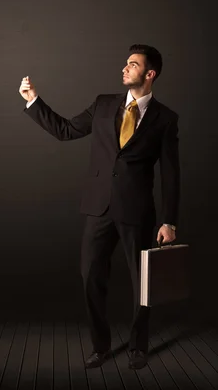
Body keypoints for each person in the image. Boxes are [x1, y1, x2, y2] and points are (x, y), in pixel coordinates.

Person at [18, 44, 180, 370]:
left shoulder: (165, 119)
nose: (124, 68)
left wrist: (169, 221)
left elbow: (171, 174)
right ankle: (100, 346)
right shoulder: (104, 105)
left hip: (137, 210)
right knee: (90, 276)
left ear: (150, 74)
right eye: (126, 63)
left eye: (132, 65)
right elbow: (65, 131)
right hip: (98, 207)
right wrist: (33, 100)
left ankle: (137, 346)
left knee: (142, 283)